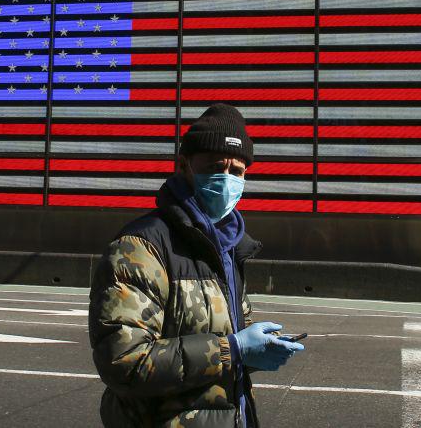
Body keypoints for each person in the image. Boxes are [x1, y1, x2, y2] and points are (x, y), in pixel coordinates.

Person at [88, 104, 304, 427]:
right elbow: (124, 361)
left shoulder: (230, 248)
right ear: (184, 166)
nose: (227, 179)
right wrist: (233, 349)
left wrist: (255, 353)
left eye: (237, 171)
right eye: (216, 167)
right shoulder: (139, 247)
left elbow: (219, 349)